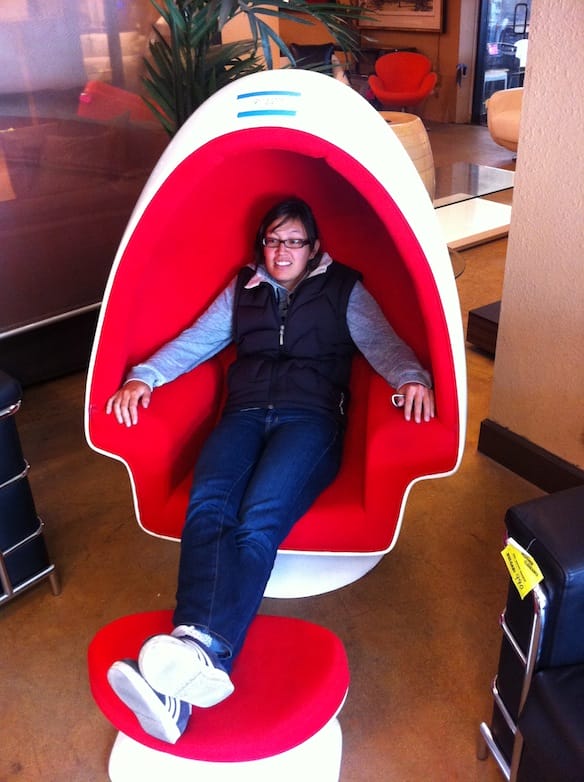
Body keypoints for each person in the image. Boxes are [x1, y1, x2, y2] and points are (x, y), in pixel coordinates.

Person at [105, 197, 435, 744]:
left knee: (258, 520)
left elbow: (382, 344)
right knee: (208, 506)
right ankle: (185, 683)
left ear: (315, 248)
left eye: (293, 242)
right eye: (273, 241)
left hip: (310, 420)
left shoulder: (343, 288)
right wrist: (146, 376)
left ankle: (193, 655)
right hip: (244, 416)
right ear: (263, 246)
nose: (282, 252)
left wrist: (410, 377)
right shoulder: (245, 289)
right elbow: (198, 339)